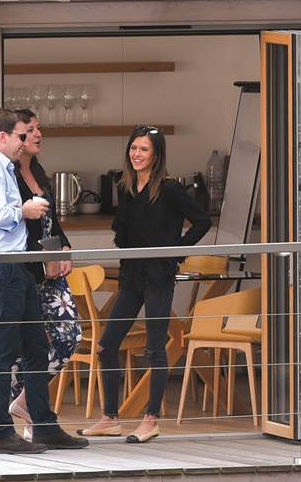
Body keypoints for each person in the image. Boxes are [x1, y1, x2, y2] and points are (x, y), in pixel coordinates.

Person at [79, 126, 211, 444]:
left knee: (155, 346)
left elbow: (203, 221)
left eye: (144, 150)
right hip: (132, 275)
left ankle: (151, 419)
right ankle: (110, 418)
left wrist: (175, 252)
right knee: (106, 345)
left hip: (158, 276)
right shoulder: (126, 188)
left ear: (157, 155)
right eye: (134, 148)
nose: (137, 154)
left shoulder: (169, 189)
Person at [0, 108, 88, 455]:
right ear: (3, 137)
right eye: (22, 135)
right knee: (2, 352)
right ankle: (0, 433)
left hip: (17, 265)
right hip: (1, 266)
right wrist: (26, 210)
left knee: (35, 347)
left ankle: (44, 424)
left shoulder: (1, 167)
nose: (26, 142)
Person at [6, 109, 83, 441]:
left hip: (52, 271)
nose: (38, 135)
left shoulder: (38, 172)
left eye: (39, 129)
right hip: (28, 270)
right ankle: (35, 424)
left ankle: (24, 403)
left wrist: (65, 248)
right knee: (25, 347)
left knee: (69, 336)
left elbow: (52, 224)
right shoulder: (8, 175)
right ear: (17, 135)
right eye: (31, 130)